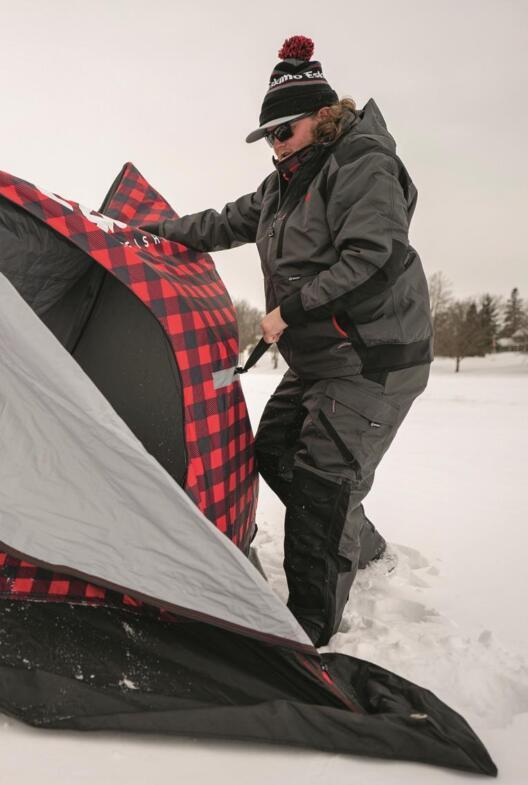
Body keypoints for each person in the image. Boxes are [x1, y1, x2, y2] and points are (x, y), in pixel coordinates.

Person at [142, 35, 433, 647]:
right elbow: (222, 222)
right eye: (268, 136)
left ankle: (305, 633)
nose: (274, 147)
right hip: (320, 356)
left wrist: (286, 311)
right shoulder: (282, 185)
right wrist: (149, 234)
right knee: (275, 454)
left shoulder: (361, 164)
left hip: (371, 358)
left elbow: (374, 259)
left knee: (324, 485)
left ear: (322, 118)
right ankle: (362, 546)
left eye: (284, 131)